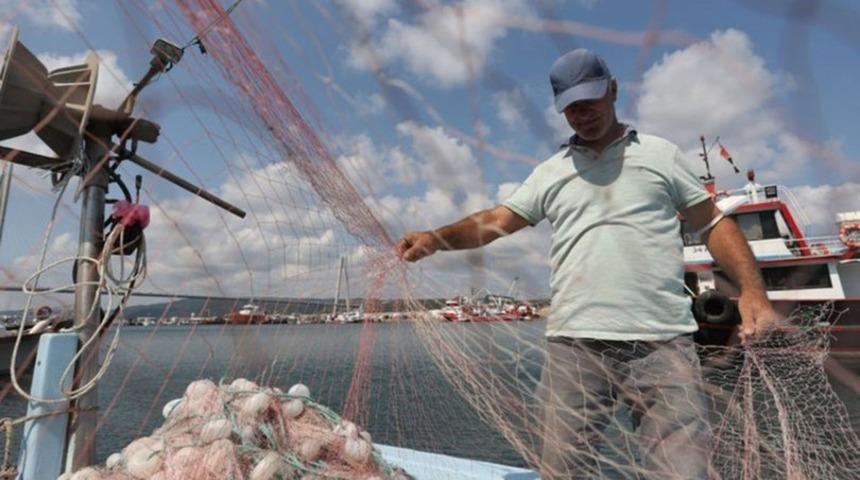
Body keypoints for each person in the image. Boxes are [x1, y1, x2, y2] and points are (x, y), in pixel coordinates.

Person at [395, 48, 779, 479]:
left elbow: (711, 223)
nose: (583, 114)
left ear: (613, 90)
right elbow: (497, 222)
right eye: (571, 107)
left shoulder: (661, 155)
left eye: (590, 101)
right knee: (562, 469)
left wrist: (754, 292)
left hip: (663, 343)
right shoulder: (549, 172)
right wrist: (435, 239)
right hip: (573, 348)